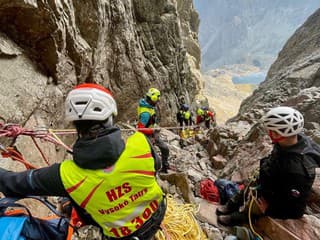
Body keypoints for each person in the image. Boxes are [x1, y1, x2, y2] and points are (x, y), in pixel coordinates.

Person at [0, 83, 166, 239]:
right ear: (110, 117)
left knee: (70, 202)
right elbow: (156, 167)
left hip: (123, 236)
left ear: (76, 125)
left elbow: (11, 183)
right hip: (157, 215)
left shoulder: (66, 176)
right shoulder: (140, 143)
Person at [217, 106, 320, 226]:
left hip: (274, 191)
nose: (269, 132)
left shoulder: (297, 171)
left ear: (281, 133)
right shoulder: (296, 139)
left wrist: (269, 209)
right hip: (269, 175)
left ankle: (239, 217)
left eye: (271, 130)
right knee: (249, 186)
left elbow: (296, 210)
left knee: (257, 203)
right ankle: (232, 205)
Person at [137, 88, 170, 173]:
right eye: (157, 99)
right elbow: (140, 128)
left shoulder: (149, 107)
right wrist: (153, 131)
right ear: (153, 98)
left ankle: (165, 166)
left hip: (152, 133)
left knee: (165, 148)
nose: (157, 101)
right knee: (153, 156)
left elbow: (150, 122)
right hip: (147, 135)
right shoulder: (145, 113)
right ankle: (151, 171)